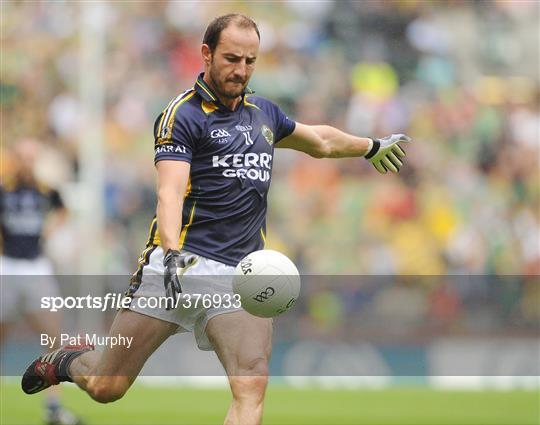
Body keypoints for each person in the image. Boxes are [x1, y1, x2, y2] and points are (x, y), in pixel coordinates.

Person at [22, 14, 411, 425]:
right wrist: (170, 251)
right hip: (179, 263)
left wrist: (369, 146)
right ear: (206, 53)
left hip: (241, 275)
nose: (240, 70)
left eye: (249, 61)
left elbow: (320, 140)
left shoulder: (265, 114)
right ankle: (68, 361)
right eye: (231, 58)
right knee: (106, 386)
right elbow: (169, 191)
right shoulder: (183, 115)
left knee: (251, 385)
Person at [1, 139, 82, 425]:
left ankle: (54, 408)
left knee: (53, 338)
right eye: (21, 156)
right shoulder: (4, 190)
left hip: (36, 266)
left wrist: (48, 231)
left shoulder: (45, 190)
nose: (25, 162)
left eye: (30, 157)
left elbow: (63, 210)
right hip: (7, 267)